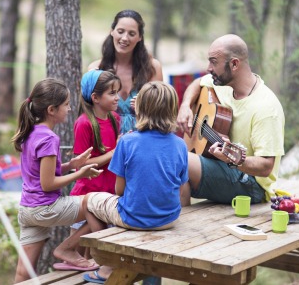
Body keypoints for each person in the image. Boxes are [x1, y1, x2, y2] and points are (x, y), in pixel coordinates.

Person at [81, 81, 189, 284]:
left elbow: (119, 190)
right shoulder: (180, 144)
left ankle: (108, 263)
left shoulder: (127, 141)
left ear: (141, 108)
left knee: (89, 201)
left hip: (134, 218)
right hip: (169, 219)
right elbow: (181, 186)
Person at [177, 34, 285, 207]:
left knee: (177, 156)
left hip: (251, 185)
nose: (208, 68)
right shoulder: (223, 84)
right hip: (221, 166)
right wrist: (185, 105)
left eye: (214, 62)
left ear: (234, 64)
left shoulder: (266, 108)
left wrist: (234, 159)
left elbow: (266, 166)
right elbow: (198, 83)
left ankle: (178, 221)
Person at [12, 78, 103, 283]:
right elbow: (48, 184)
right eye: (66, 104)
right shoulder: (49, 138)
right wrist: (80, 174)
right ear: (52, 109)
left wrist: (71, 165)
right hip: (46, 207)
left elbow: (40, 174)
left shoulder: (32, 132)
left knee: (23, 273)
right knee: (94, 204)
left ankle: (69, 250)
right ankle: (68, 249)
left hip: (28, 210)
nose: (70, 109)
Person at [66, 70, 122, 261]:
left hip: (108, 196)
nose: (117, 97)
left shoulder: (115, 119)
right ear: (95, 97)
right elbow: (80, 166)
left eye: (117, 92)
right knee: (80, 257)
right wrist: (113, 153)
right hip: (87, 196)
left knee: (97, 259)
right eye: (112, 93)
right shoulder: (84, 124)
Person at [88, 9, 163, 134]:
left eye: (132, 34)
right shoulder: (96, 68)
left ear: (140, 37)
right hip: (107, 139)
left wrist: (145, 105)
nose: (124, 38)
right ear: (112, 31)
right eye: (120, 31)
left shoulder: (152, 67)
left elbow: (162, 111)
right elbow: (90, 113)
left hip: (144, 137)